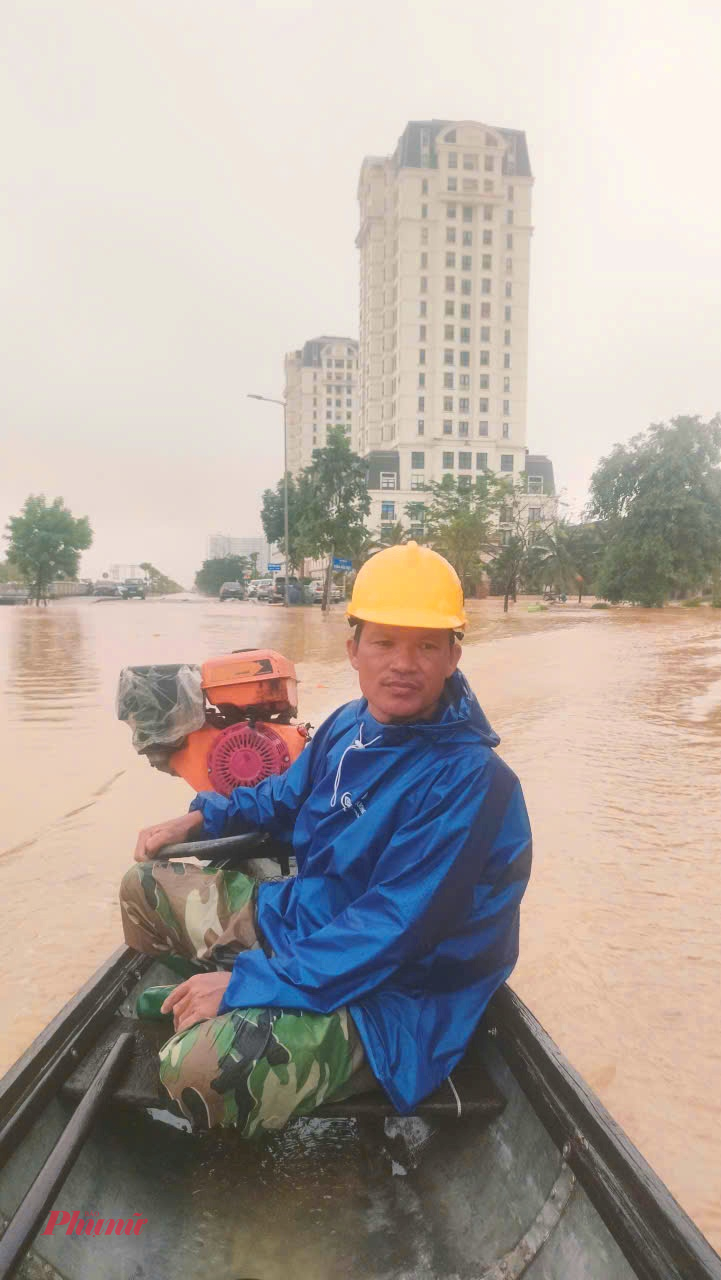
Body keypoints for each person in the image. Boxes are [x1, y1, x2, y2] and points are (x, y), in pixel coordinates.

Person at [119, 542, 532, 1136]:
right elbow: (284, 799)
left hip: (395, 996)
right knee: (143, 887)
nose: (404, 663)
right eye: (385, 642)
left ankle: (216, 1006)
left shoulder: (470, 783)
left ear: (452, 656)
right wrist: (201, 818)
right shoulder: (348, 724)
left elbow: (394, 930)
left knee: (198, 1072)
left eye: (426, 645)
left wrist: (248, 983)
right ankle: (203, 997)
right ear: (353, 650)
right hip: (311, 926)